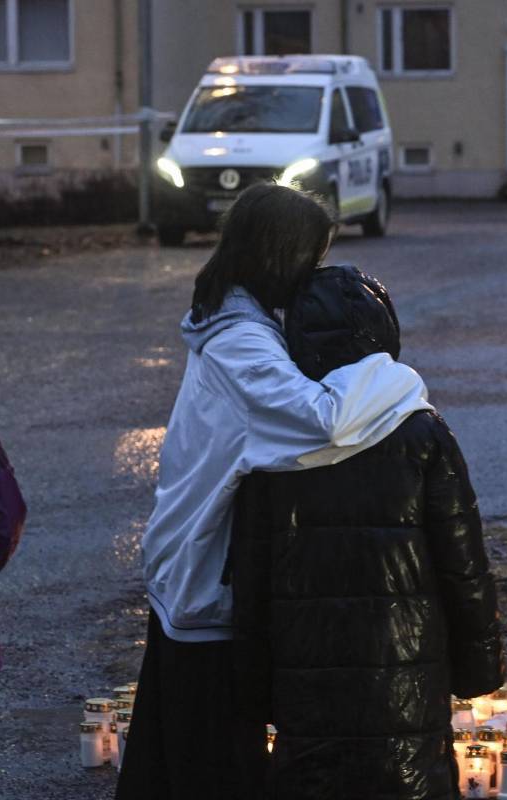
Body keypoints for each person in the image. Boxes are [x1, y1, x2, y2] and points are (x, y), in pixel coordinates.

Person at [117, 184, 433, 799]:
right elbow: (318, 422)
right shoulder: (241, 343)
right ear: (280, 256)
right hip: (206, 576)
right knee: (210, 756)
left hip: (196, 567)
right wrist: (393, 378)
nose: (313, 275)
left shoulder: (236, 321)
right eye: (311, 259)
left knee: (176, 749)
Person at [230, 265, 505, 798]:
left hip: (304, 680)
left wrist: (251, 686)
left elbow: (251, 576)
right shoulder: (422, 431)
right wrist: (478, 667)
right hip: (406, 678)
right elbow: (463, 565)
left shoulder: (273, 442)